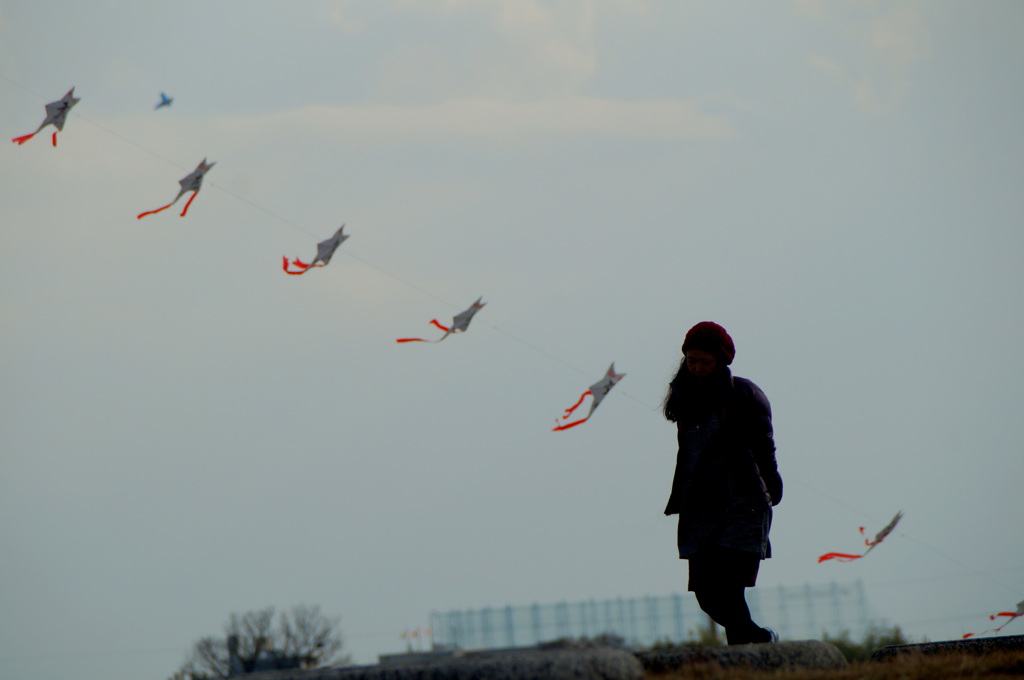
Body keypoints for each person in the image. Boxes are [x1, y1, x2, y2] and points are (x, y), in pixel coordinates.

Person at [663, 321, 783, 645]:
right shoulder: (683, 397)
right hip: (699, 508)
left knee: (729, 590)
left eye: (705, 362)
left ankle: (747, 655)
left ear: (721, 361)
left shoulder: (744, 394)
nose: (697, 368)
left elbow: (764, 446)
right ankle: (761, 641)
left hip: (741, 504)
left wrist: (772, 484)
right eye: (691, 361)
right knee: (706, 593)